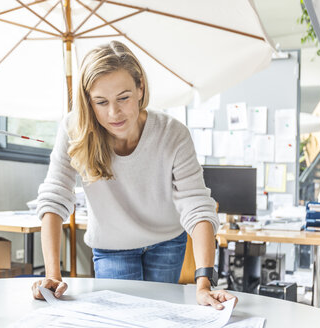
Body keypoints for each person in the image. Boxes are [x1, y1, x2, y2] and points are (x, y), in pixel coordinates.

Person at [32, 40, 237, 310]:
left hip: (166, 241)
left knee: (160, 317)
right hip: (112, 246)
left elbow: (197, 207)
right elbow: (54, 197)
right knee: (122, 319)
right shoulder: (74, 129)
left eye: (124, 97)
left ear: (140, 88)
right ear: (87, 100)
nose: (114, 113)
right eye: (101, 102)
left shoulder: (172, 134)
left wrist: (203, 284)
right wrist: (52, 275)